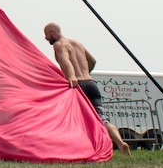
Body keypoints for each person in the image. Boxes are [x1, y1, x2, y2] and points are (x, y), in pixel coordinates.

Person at [44, 22, 132, 156]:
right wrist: (86, 73)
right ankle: (120, 143)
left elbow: (65, 60)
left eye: (46, 34)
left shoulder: (59, 45)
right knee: (102, 118)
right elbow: (92, 61)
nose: (45, 38)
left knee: (72, 119)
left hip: (78, 84)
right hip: (91, 83)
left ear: (52, 32)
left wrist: (72, 76)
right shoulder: (78, 44)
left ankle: (77, 148)